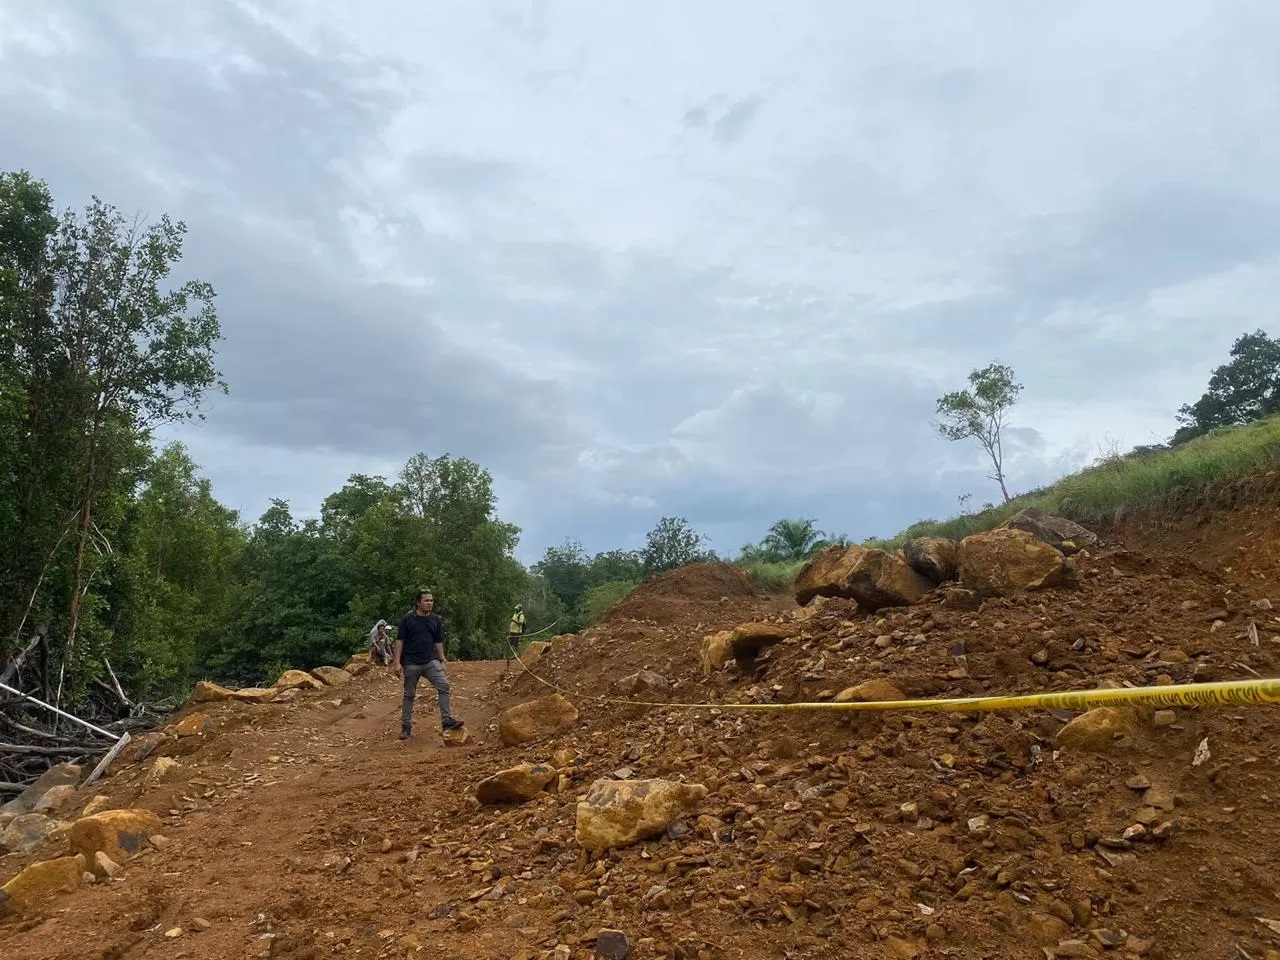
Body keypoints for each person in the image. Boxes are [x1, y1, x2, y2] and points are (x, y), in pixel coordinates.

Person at [392, 589, 463, 739]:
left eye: (431, 601)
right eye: (426, 600)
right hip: (411, 662)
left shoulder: (435, 619)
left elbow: (438, 641)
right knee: (409, 695)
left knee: (444, 686)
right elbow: (400, 641)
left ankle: (446, 720)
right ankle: (406, 727)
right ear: (418, 603)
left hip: (430, 661)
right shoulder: (408, 619)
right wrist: (397, 662)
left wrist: (442, 658)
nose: (430, 603)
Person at [505, 603, 526, 670]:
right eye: (516, 609)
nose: (516, 609)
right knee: (510, 643)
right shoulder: (515, 614)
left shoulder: (521, 615)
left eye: (517, 609)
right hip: (512, 631)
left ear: (519, 609)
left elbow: (520, 623)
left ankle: (517, 654)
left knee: (515, 643)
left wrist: (514, 621)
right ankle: (514, 654)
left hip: (517, 632)